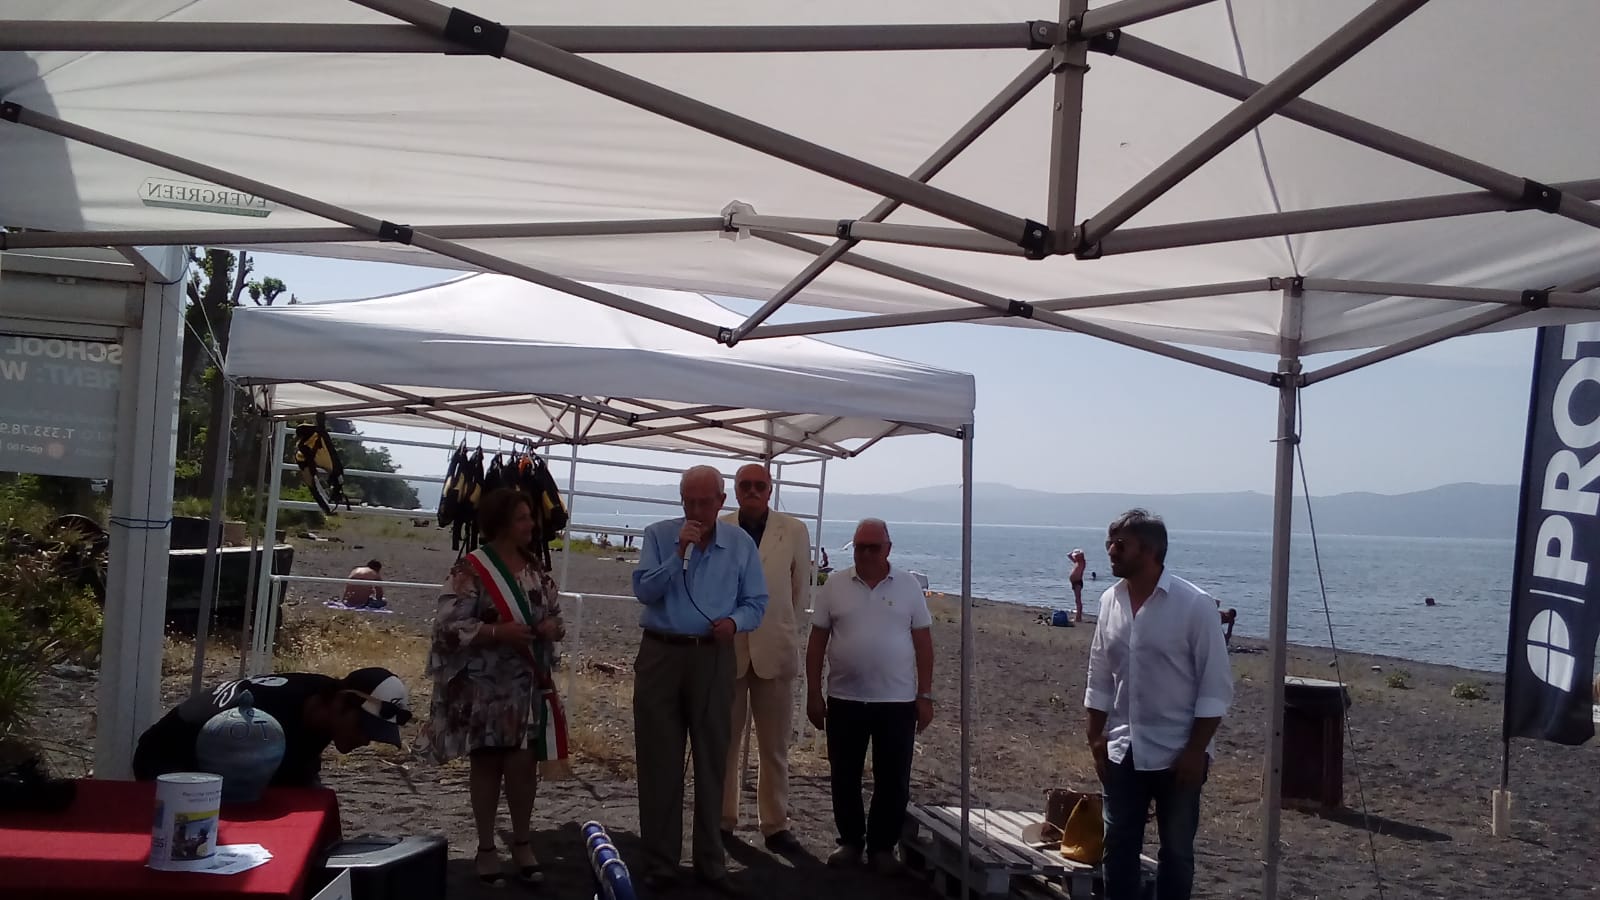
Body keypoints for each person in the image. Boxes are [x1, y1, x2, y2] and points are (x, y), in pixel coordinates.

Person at [631, 466, 769, 894]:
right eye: (688, 501)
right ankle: (660, 861)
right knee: (658, 761)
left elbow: (756, 601)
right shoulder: (658, 535)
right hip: (661, 653)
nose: (695, 510)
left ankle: (710, 861)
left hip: (712, 656)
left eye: (704, 502)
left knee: (711, 759)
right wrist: (678, 555)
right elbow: (644, 591)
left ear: (721, 501)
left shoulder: (740, 544)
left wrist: (735, 622)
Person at [1084, 510, 1234, 900]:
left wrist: (1196, 750)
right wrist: (1095, 736)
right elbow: (1100, 673)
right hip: (1123, 748)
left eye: (1121, 544)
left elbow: (1215, 686)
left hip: (1178, 752)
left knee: (1177, 852)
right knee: (1118, 846)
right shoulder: (1110, 601)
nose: (1111, 551)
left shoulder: (1194, 605)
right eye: (1109, 543)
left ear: (1150, 551)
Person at [425, 487, 567, 887]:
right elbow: (446, 628)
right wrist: (496, 632)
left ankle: (522, 842)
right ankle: (486, 848)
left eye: (530, 517)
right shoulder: (470, 570)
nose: (531, 524)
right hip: (484, 688)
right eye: (522, 518)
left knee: (523, 768)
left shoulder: (535, 568)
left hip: (526, 686)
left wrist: (551, 627)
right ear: (502, 523)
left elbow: (557, 616)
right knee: (487, 765)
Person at [806, 518, 934, 875]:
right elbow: (816, 642)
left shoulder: (908, 586)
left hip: (897, 701)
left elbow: (924, 643)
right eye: (859, 546)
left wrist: (925, 695)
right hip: (844, 698)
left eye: (872, 547)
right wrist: (813, 693)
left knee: (893, 778)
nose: (864, 553)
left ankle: (882, 847)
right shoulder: (835, 585)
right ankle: (850, 841)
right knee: (844, 775)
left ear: (888, 549)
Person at [719, 464, 811, 854]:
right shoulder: (721, 526)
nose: (753, 491)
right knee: (724, 741)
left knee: (774, 746)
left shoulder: (794, 530)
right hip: (729, 649)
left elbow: (799, 590)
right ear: (735, 490)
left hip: (775, 648)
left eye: (760, 485)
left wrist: (778, 624)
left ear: (770, 489)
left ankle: (775, 824)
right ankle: (722, 818)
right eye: (746, 485)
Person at [133, 666, 411, 787]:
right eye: (364, 727)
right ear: (340, 704)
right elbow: (235, 791)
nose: (366, 740)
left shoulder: (321, 699)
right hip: (168, 759)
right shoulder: (267, 719)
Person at [1068, 548, 1087, 622]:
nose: (1075, 557)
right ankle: (1078, 616)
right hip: (1074, 582)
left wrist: (1078, 553)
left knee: (1078, 600)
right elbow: (1069, 555)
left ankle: (1078, 617)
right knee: (1077, 600)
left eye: (1076, 556)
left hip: (1078, 582)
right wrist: (1074, 552)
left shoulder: (1082, 562)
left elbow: (1079, 556)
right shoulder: (1077, 562)